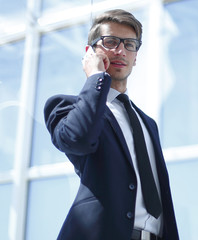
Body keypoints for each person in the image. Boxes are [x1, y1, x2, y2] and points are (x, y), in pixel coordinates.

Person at [44, 9, 179, 240]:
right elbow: (78, 139)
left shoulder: (147, 123)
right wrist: (96, 78)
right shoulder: (65, 105)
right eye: (110, 42)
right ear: (90, 52)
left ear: (136, 56)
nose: (120, 51)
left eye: (130, 45)